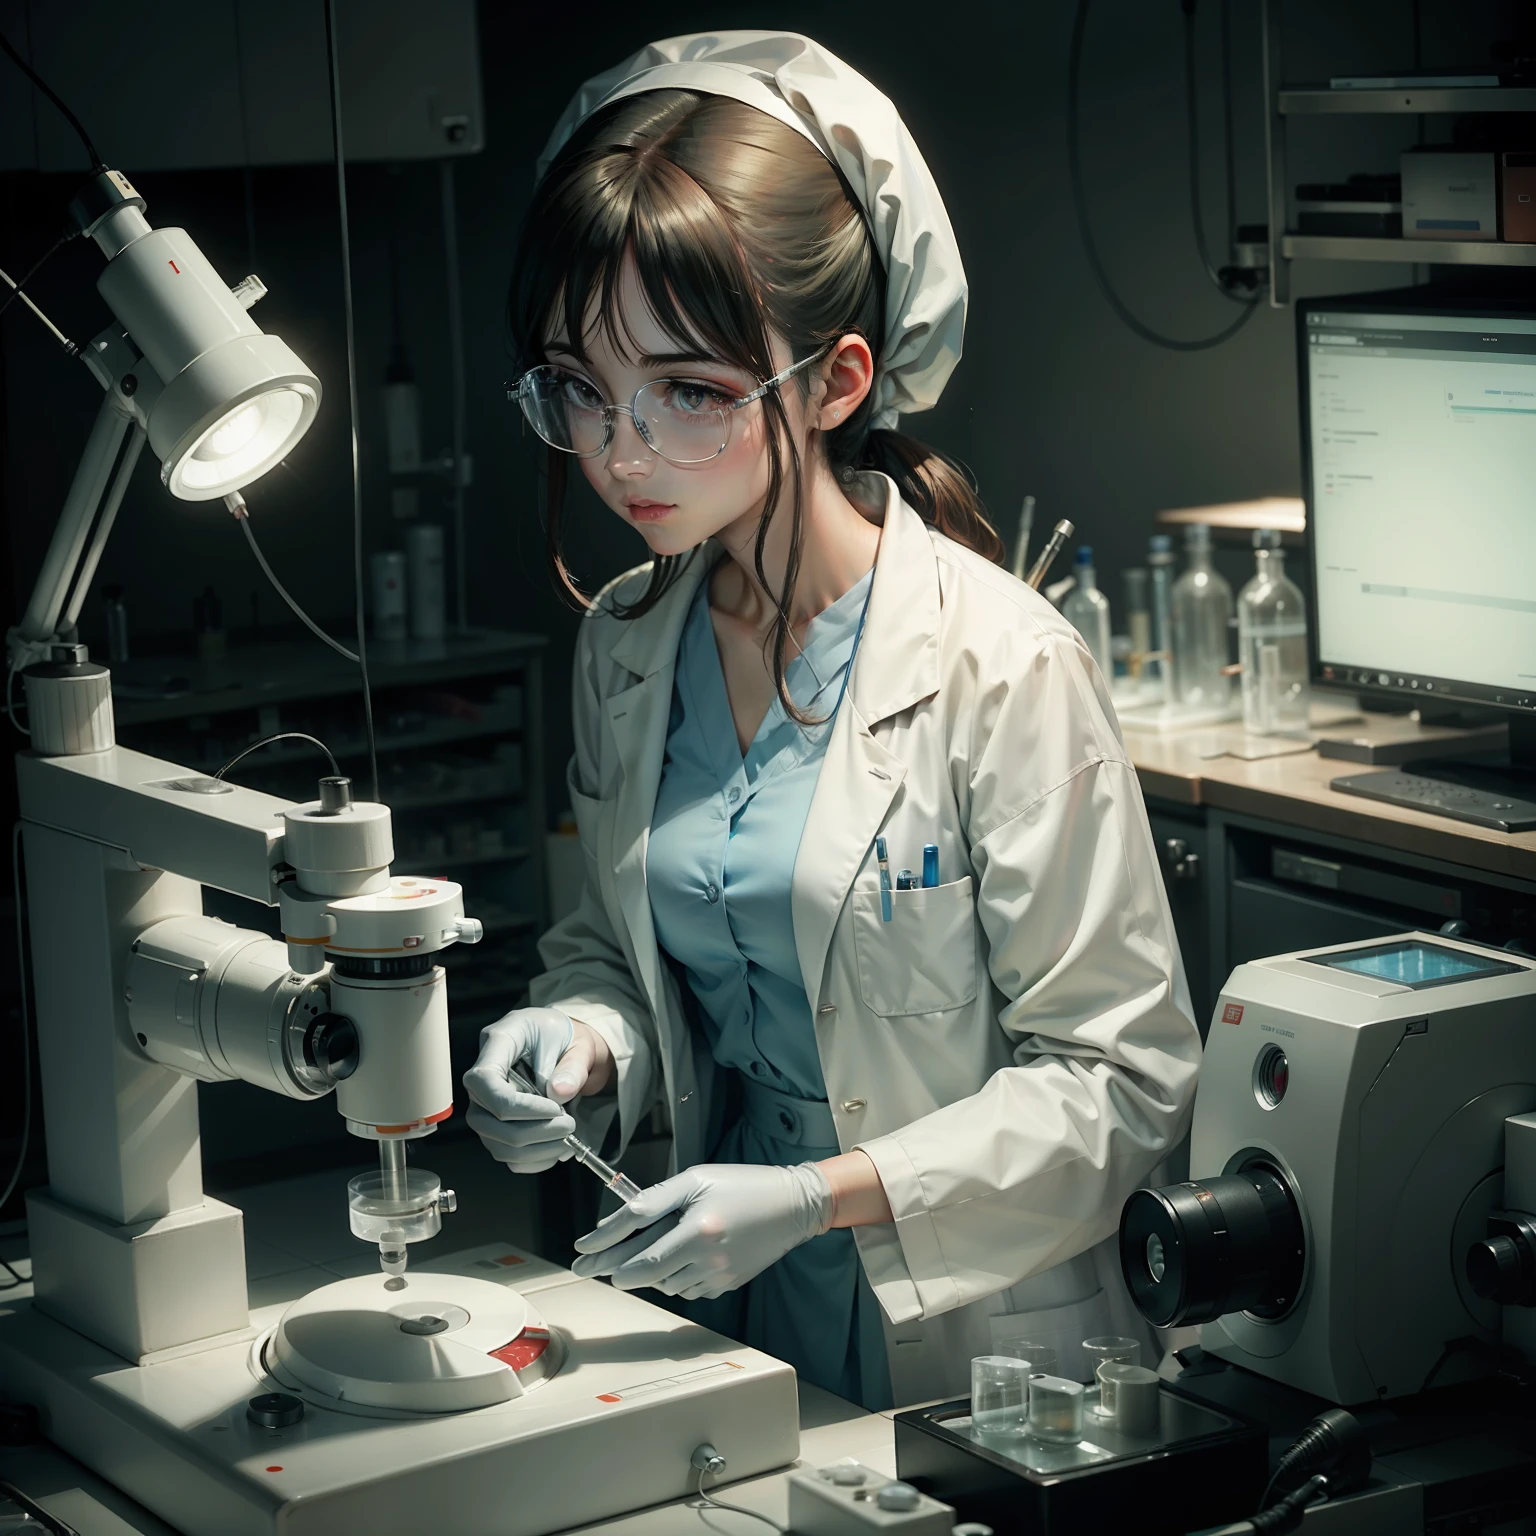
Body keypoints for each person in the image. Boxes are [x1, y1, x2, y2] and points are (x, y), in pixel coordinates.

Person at [464, 31, 1200, 1411]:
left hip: (968, 1331)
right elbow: (610, 950)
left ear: (841, 377)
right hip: (711, 1301)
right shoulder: (626, 644)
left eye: (686, 391)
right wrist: (579, 1040)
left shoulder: (1003, 664)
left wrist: (819, 1195)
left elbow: (1121, 1083)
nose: (623, 452)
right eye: (579, 387)